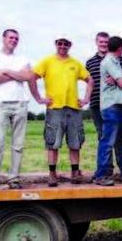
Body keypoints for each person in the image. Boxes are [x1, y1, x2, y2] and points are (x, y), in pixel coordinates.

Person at [0, 28, 48, 191]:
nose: (14, 40)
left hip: (20, 103)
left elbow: (29, 77)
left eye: (16, 38)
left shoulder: (22, 58)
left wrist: (7, 71)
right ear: (3, 38)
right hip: (0, 103)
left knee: (18, 144)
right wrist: (18, 74)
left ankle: (14, 178)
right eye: (11, 37)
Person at [32, 35, 93, 187]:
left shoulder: (75, 63)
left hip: (73, 108)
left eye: (66, 44)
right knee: (53, 142)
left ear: (70, 45)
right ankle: (52, 174)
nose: (63, 46)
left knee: (75, 142)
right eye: (60, 43)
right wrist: (39, 98)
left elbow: (89, 80)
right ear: (56, 44)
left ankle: (75, 173)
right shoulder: (47, 61)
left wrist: (86, 99)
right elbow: (32, 77)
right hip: (55, 108)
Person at [92, 36, 122, 186]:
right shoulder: (108, 61)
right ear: (120, 48)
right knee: (108, 141)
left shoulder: (117, 62)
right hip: (111, 105)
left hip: (121, 104)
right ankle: (101, 175)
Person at [85, 32, 122, 140]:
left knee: (120, 137)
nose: (103, 44)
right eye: (101, 41)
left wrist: (116, 81)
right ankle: (106, 158)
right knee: (103, 135)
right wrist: (86, 98)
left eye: (106, 42)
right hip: (96, 103)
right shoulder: (90, 62)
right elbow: (89, 83)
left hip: (115, 103)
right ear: (96, 42)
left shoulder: (121, 60)